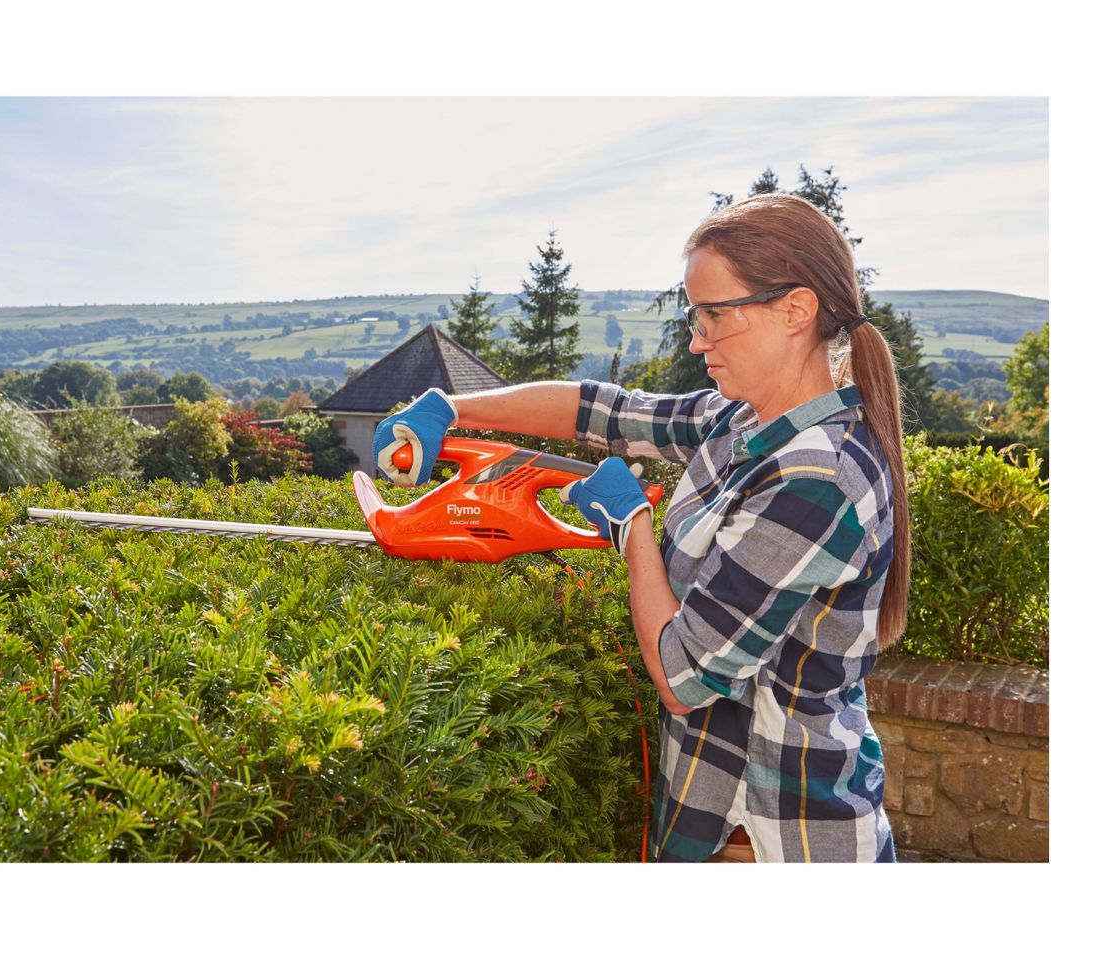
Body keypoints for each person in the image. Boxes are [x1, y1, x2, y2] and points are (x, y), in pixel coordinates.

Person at [371, 193, 907, 863]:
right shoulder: (742, 421)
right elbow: (601, 410)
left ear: (795, 310)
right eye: (694, 315)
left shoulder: (818, 480)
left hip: (772, 833)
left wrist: (634, 528)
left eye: (714, 315)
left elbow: (684, 676)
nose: (696, 339)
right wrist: (450, 407)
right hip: (721, 815)